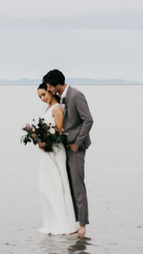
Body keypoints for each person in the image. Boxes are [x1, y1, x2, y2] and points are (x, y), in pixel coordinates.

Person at [43, 69, 93, 238]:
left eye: (49, 87)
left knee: (78, 185)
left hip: (75, 148)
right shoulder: (60, 99)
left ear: (57, 85)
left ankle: (83, 225)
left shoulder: (76, 95)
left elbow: (88, 120)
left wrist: (77, 144)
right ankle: (72, 221)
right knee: (67, 185)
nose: (48, 90)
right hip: (64, 148)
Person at [36, 82, 79, 235]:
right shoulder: (46, 109)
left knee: (56, 183)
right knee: (45, 186)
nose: (42, 98)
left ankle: (63, 222)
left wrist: (44, 141)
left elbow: (58, 132)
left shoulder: (57, 109)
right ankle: (51, 221)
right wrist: (37, 138)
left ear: (51, 92)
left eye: (44, 94)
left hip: (54, 150)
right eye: (40, 96)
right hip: (45, 152)